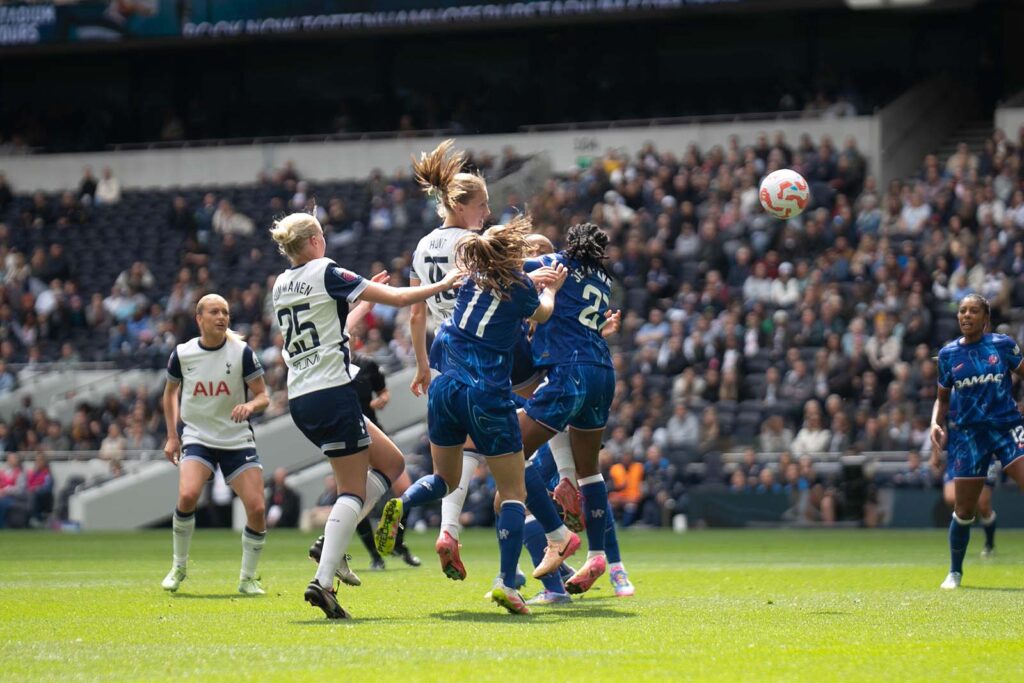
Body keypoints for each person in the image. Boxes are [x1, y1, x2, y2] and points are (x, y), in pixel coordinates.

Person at [269, 211, 463, 619]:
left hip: (302, 395)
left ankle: (331, 543)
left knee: (391, 463)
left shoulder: (282, 283)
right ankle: (323, 580)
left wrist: (362, 300)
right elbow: (399, 300)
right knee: (352, 491)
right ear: (315, 240)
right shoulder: (326, 271)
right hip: (331, 392)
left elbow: (331, 330)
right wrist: (443, 284)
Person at [376, 218, 567, 615]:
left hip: (444, 387)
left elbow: (506, 275)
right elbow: (544, 314)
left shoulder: (467, 277)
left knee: (444, 480)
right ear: (511, 256)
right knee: (513, 492)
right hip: (485, 392)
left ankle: (403, 505)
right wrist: (549, 288)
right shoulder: (520, 289)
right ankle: (505, 584)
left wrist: (530, 272)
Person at [160, 294, 271, 595]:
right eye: (214, 312)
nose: (221, 317)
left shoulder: (242, 352)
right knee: (188, 495)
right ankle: (178, 567)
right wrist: (172, 436)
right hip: (198, 436)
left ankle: (248, 579)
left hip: (236, 437)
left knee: (257, 508)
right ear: (200, 319)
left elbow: (264, 396)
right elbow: (169, 394)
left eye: (225, 312)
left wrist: (250, 406)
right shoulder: (183, 354)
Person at [931, 294, 1024, 590]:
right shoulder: (948, 354)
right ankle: (955, 572)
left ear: (986, 318)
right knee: (964, 511)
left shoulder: (1002, 345)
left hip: (1007, 427)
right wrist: (935, 422)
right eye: (962, 311)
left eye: (973, 311)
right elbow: (942, 399)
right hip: (970, 436)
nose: (966, 315)